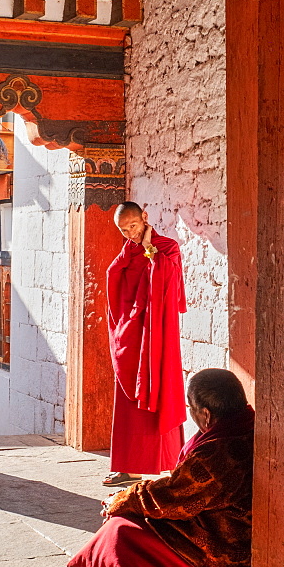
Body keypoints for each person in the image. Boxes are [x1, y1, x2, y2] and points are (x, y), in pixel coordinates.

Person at [68, 368, 254, 567]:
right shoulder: (248, 427)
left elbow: (172, 497)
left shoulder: (218, 452)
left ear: (206, 414)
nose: (191, 415)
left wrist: (122, 499)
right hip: (231, 527)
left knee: (120, 534)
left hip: (229, 553)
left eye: (191, 408)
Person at [103, 201, 186, 488]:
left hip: (158, 334)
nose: (129, 234)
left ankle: (170, 461)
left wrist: (150, 250)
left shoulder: (168, 247)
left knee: (161, 387)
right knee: (128, 398)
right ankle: (129, 467)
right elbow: (114, 277)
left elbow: (171, 285)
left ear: (145, 218)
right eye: (123, 230)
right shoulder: (128, 250)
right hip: (133, 334)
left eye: (133, 227)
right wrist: (133, 251)